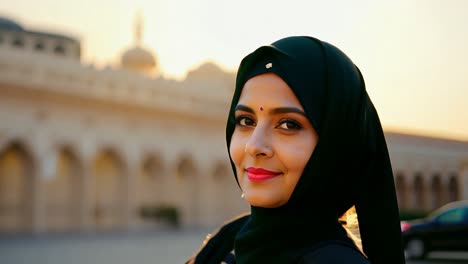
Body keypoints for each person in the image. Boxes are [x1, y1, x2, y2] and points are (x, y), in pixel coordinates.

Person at [187, 36, 405, 264]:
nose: (254, 145)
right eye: (246, 121)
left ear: (335, 146)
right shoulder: (229, 241)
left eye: (288, 124)